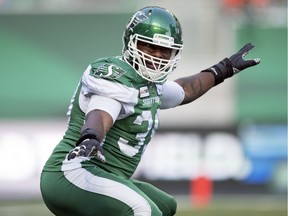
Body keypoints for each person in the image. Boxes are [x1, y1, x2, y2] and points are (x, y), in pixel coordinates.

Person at [40, 6, 260, 216]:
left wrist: (224, 69)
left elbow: (185, 89)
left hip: (104, 174)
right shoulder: (116, 76)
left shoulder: (149, 86)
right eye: (149, 46)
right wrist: (91, 136)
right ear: (131, 43)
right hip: (73, 171)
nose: (157, 56)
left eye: (165, 50)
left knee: (165, 206)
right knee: (143, 210)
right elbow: (101, 112)